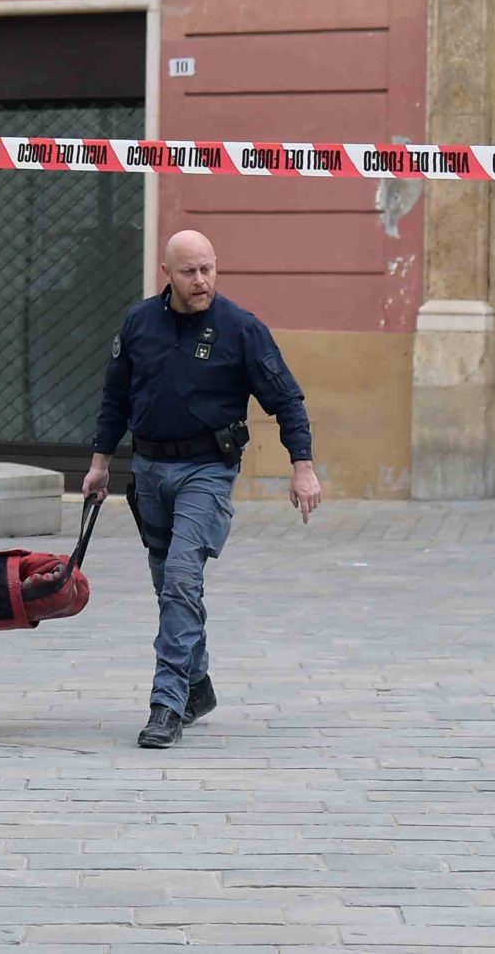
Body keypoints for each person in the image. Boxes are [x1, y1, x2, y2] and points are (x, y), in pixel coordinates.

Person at [82, 230, 321, 749]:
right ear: (166, 274)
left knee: (181, 581)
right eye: (189, 271)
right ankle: (198, 684)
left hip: (206, 472)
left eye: (208, 269)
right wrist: (100, 464)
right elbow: (115, 398)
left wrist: (302, 466)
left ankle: (166, 703)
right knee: (169, 585)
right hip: (149, 471)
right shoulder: (139, 323)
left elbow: (287, 399)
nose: (201, 280)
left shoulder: (240, 328)